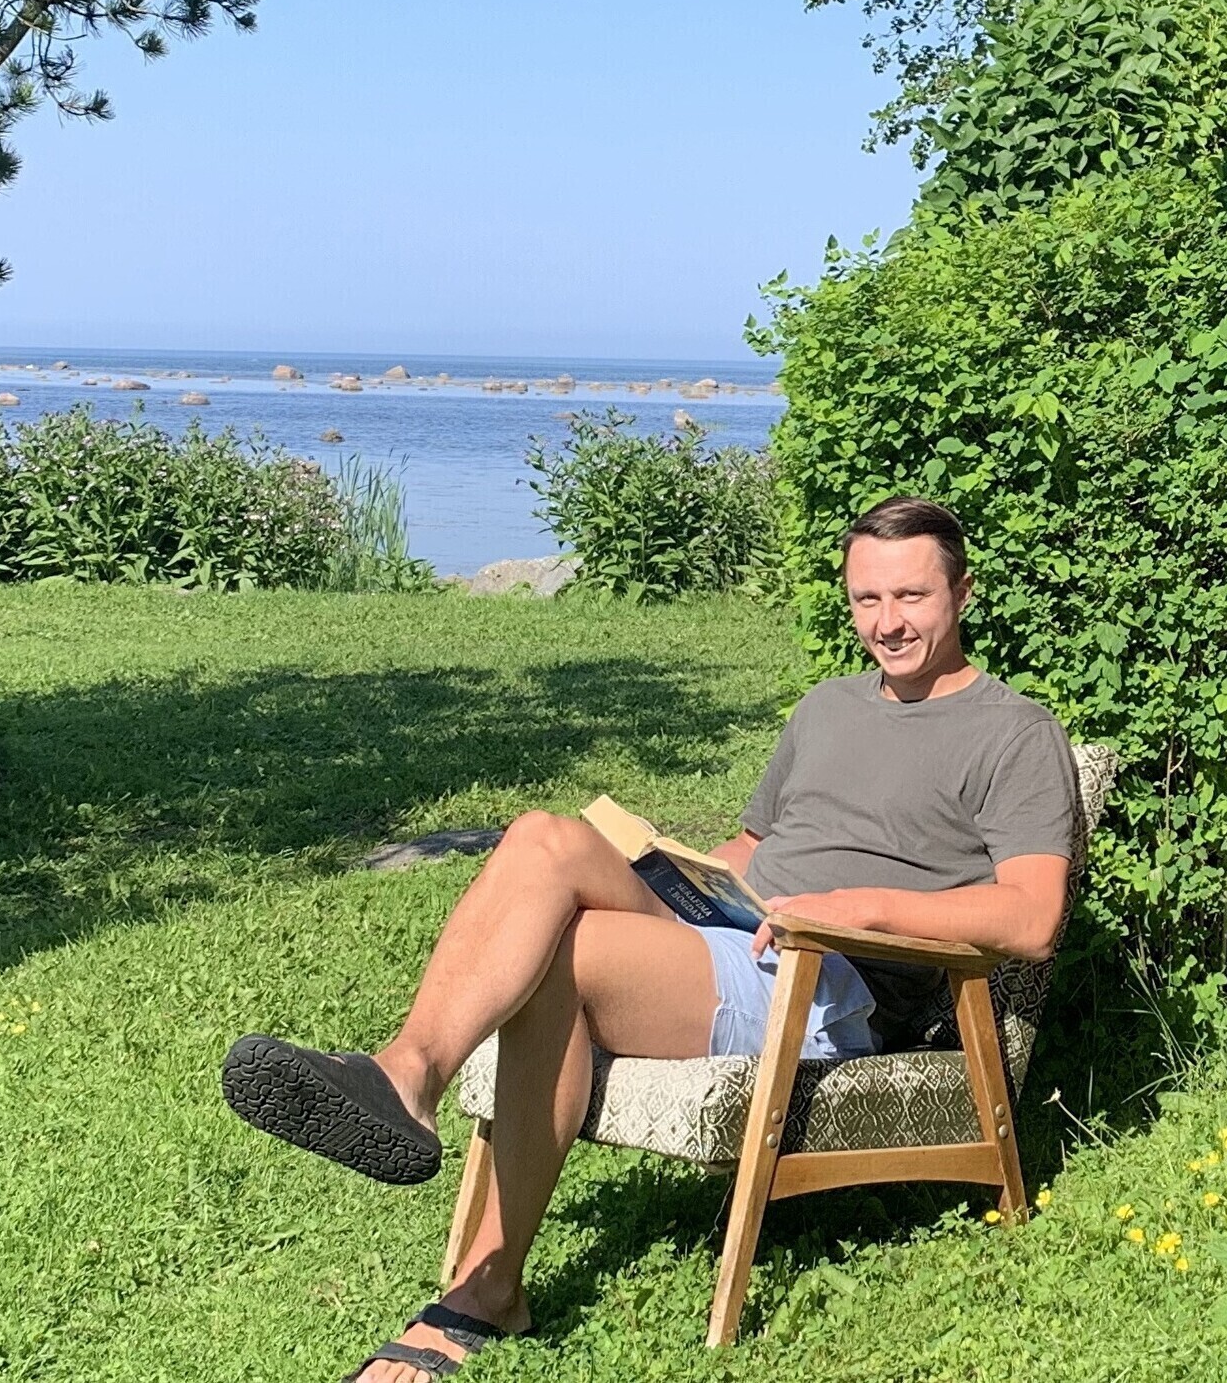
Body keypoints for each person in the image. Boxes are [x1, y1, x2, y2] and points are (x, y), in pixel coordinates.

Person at [218, 497, 1078, 1383]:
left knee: (570, 957)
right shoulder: (828, 708)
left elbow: (1030, 918)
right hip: (737, 925)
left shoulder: (1014, 733)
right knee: (542, 839)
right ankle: (405, 1076)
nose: (887, 623)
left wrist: (866, 907)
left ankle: (486, 1290)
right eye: (867, 600)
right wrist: (676, 867)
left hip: (830, 975)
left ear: (961, 593)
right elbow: (754, 848)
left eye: (911, 597)